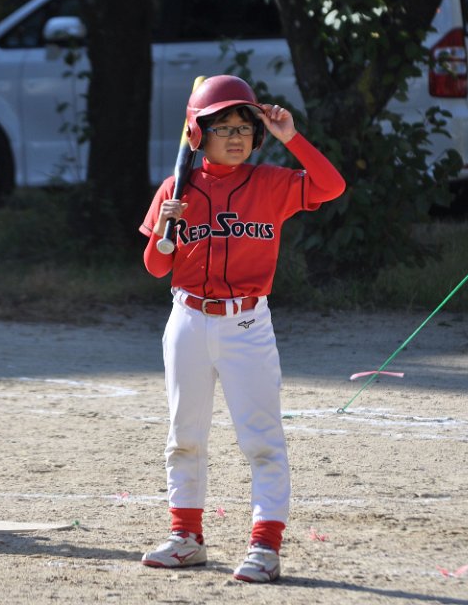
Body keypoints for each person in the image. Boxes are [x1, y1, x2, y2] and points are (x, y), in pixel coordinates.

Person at [138, 75, 346, 581]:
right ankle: (186, 538)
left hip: (247, 323)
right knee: (184, 436)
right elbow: (156, 267)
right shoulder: (175, 189)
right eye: (224, 127)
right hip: (187, 320)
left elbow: (331, 185)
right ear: (197, 133)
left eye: (245, 127)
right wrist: (165, 228)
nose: (237, 136)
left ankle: (265, 547)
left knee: (262, 439)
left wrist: (289, 137)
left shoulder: (270, 183)